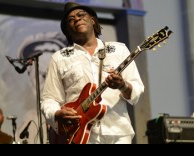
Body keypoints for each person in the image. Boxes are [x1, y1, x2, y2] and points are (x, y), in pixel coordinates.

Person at [41, 2, 145, 144]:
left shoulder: (118, 50)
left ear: (93, 20)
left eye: (81, 15)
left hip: (117, 132)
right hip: (79, 134)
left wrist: (122, 85)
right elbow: (49, 99)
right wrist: (57, 113)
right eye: (70, 19)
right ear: (67, 29)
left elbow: (136, 92)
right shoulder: (59, 58)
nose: (76, 19)